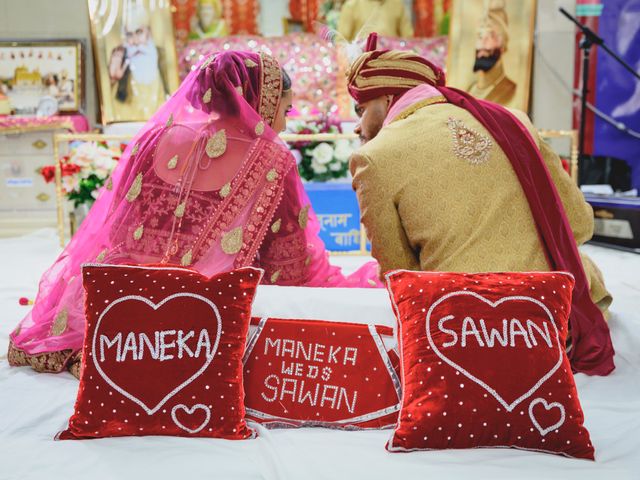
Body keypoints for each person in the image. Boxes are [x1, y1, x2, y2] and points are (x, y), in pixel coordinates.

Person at [8, 50, 381, 377]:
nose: (283, 124)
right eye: (284, 109)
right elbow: (289, 260)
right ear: (260, 101)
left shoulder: (156, 138)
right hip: (199, 316)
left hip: (117, 300)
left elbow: (118, 224)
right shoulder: (272, 157)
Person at [346, 33, 615, 376]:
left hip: (469, 337)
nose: (357, 126)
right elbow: (579, 224)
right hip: (557, 324)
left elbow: (399, 276)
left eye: (360, 108)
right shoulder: (513, 120)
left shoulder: (374, 157)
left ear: (386, 98)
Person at [108, 3, 167, 121]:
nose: (135, 41)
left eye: (139, 32)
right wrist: (113, 81)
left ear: (149, 32)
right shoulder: (119, 62)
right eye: (129, 35)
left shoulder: (164, 59)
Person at [467, 0, 516, 106]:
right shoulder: (470, 90)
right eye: (480, 36)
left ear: (503, 45)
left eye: (490, 36)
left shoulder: (509, 90)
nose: (482, 43)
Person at [337, 0, 413, 42]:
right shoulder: (352, 5)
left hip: (392, 62)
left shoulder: (397, 4)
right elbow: (341, 41)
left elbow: (408, 38)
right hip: (360, 63)